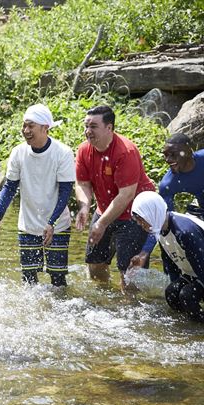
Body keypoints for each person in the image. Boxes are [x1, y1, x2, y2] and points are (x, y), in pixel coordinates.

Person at [0, 104, 75, 286]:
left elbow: (66, 192)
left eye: (31, 126)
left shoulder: (62, 153)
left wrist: (52, 223)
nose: (26, 130)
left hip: (57, 227)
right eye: (24, 126)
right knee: (28, 280)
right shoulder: (19, 153)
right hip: (27, 226)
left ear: (45, 128)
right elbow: (10, 187)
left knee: (58, 279)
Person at [75, 105, 155, 292]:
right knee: (94, 265)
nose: (88, 131)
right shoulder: (84, 150)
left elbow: (126, 195)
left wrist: (101, 224)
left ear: (109, 128)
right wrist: (85, 206)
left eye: (93, 126)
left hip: (135, 216)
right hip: (104, 210)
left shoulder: (125, 151)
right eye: (86, 126)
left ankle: (130, 310)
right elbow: (82, 183)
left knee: (129, 274)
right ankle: (106, 299)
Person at [129, 132, 204, 268]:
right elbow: (160, 221)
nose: (168, 159)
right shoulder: (168, 184)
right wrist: (145, 252)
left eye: (173, 154)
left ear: (188, 151)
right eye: (165, 155)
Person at [131, 191, 204, 322]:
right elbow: (170, 264)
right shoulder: (161, 229)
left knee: (188, 296)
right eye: (139, 221)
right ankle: (186, 323)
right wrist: (175, 282)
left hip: (202, 270)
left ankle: (198, 329)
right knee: (171, 293)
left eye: (142, 220)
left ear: (152, 213)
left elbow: (201, 264)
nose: (141, 225)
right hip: (196, 272)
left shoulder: (184, 231)